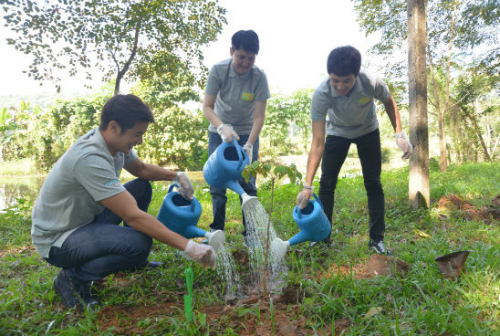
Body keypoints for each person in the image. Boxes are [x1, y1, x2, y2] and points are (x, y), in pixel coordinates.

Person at [31, 94, 216, 309]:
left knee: (141, 186)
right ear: (114, 127)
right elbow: (133, 216)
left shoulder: (114, 145)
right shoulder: (90, 158)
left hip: (84, 221)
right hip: (58, 239)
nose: (140, 140)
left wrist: (176, 176)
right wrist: (189, 247)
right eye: (137, 134)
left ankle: (132, 263)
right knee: (139, 243)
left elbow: (141, 169)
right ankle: (72, 278)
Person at [296, 46, 412, 255]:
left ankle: (377, 240)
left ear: (356, 75)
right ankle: (323, 238)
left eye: (346, 81)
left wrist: (399, 134)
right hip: (337, 132)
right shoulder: (321, 94)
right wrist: (307, 185)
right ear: (329, 76)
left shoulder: (371, 81)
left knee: (373, 183)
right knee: (327, 184)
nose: (340, 86)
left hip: (368, 130)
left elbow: (388, 101)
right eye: (335, 80)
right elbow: (318, 141)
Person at [202, 30, 270, 239]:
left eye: (250, 58)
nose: (245, 63)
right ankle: (217, 231)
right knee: (216, 183)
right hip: (219, 133)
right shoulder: (218, 70)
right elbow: (207, 107)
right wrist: (222, 128)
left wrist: (249, 144)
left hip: (247, 133)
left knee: (247, 184)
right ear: (232, 51)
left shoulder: (259, 76)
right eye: (241, 57)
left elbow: (259, 116)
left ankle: (250, 234)